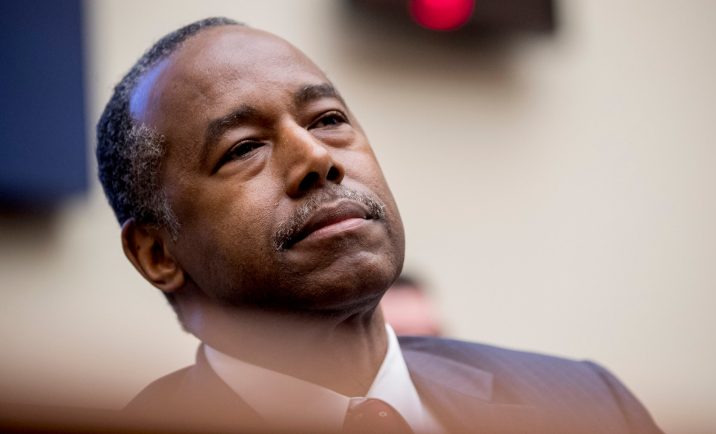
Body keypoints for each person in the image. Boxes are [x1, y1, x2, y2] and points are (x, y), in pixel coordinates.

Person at [96, 17, 663, 434]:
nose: (318, 158)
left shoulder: (590, 407)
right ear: (156, 253)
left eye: (329, 119)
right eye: (243, 147)